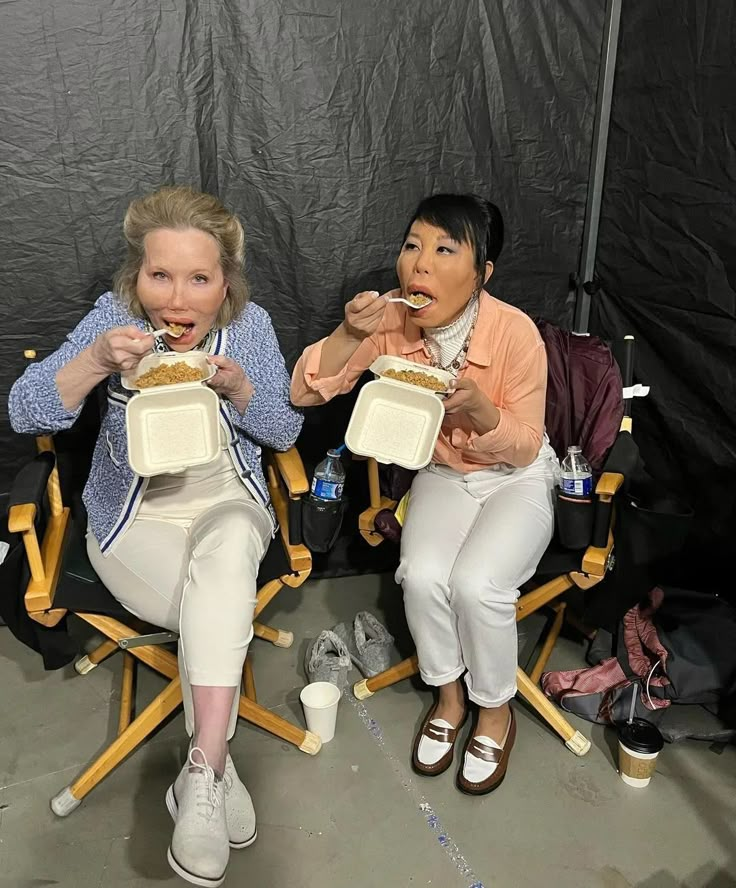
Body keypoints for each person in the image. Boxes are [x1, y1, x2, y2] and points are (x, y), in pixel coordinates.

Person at [9, 185, 303, 885]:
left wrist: (240, 392)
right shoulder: (114, 322)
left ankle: (202, 772)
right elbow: (24, 409)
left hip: (230, 501)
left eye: (199, 278)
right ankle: (214, 768)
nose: (178, 299)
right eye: (160, 275)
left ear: (225, 281)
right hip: (134, 520)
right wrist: (95, 364)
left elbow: (286, 431)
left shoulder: (250, 327)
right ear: (135, 276)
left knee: (231, 547)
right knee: (223, 604)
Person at [291, 193, 557, 796]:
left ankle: (494, 708)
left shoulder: (516, 334)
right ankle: (449, 697)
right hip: (443, 475)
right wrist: (347, 330)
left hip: (518, 476)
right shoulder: (388, 320)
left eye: (444, 249)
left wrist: (483, 412)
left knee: (477, 584)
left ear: (482, 273)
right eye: (413, 246)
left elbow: (522, 444)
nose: (420, 265)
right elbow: (306, 394)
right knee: (421, 572)